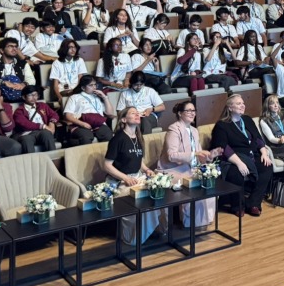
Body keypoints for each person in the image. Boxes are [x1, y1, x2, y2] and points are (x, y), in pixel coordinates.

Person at [103, 107, 162, 244]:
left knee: (156, 193)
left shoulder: (138, 137)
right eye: (132, 113)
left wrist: (147, 170)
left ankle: (149, 230)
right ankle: (134, 237)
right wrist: (125, 178)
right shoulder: (118, 139)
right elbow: (107, 165)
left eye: (137, 113)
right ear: (124, 120)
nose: (137, 115)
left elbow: (138, 160)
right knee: (143, 199)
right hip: (119, 182)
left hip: (137, 177)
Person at [158, 100, 221, 228]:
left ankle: (203, 221)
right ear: (180, 113)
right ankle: (190, 222)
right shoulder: (174, 129)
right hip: (174, 170)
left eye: (194, 111)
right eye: (188, 111)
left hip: (190, 168)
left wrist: (210, 155)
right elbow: (171, 156)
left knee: (208, 184)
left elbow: (199, 155)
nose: (192, 113)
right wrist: (195, 154)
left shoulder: (194, 130)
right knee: (195, 185)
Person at [210, 93, 273, 217]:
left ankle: (253, 203)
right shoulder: (222, 125)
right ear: (230, 107)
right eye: (238, 103)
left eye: (243, 103)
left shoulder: (247, 120)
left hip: (251, 156)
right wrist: (239, 163)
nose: (242, 105)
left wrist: (264, 154)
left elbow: (258, 139)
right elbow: (223, 148)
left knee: (266, 167)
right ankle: (237, 205)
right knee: (236, 174)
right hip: (232, 159)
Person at [63, 75, 116, 146]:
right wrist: (82, 124)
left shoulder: (98, 97)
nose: (94, 87)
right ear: (83, 87)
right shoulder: (74, 97)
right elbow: (68, 116)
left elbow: (110, 113)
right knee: (86, 137)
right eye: (91, 85)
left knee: (108, 135)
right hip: (81, 123)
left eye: (95, 84)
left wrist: (104, 97)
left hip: (98, 123)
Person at [12, 86, 59, 154]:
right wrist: (43, 126)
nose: (33, 97)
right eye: (30, 95)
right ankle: (31, 160)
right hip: (27, 134)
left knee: (47, 134)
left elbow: (54, 114)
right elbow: (25, 124)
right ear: (24, 97)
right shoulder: (19, 111)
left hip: (41, 132)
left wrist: (52, 123)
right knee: (27, 140)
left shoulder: (42, 105)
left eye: (35, 95)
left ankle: (52, 157)